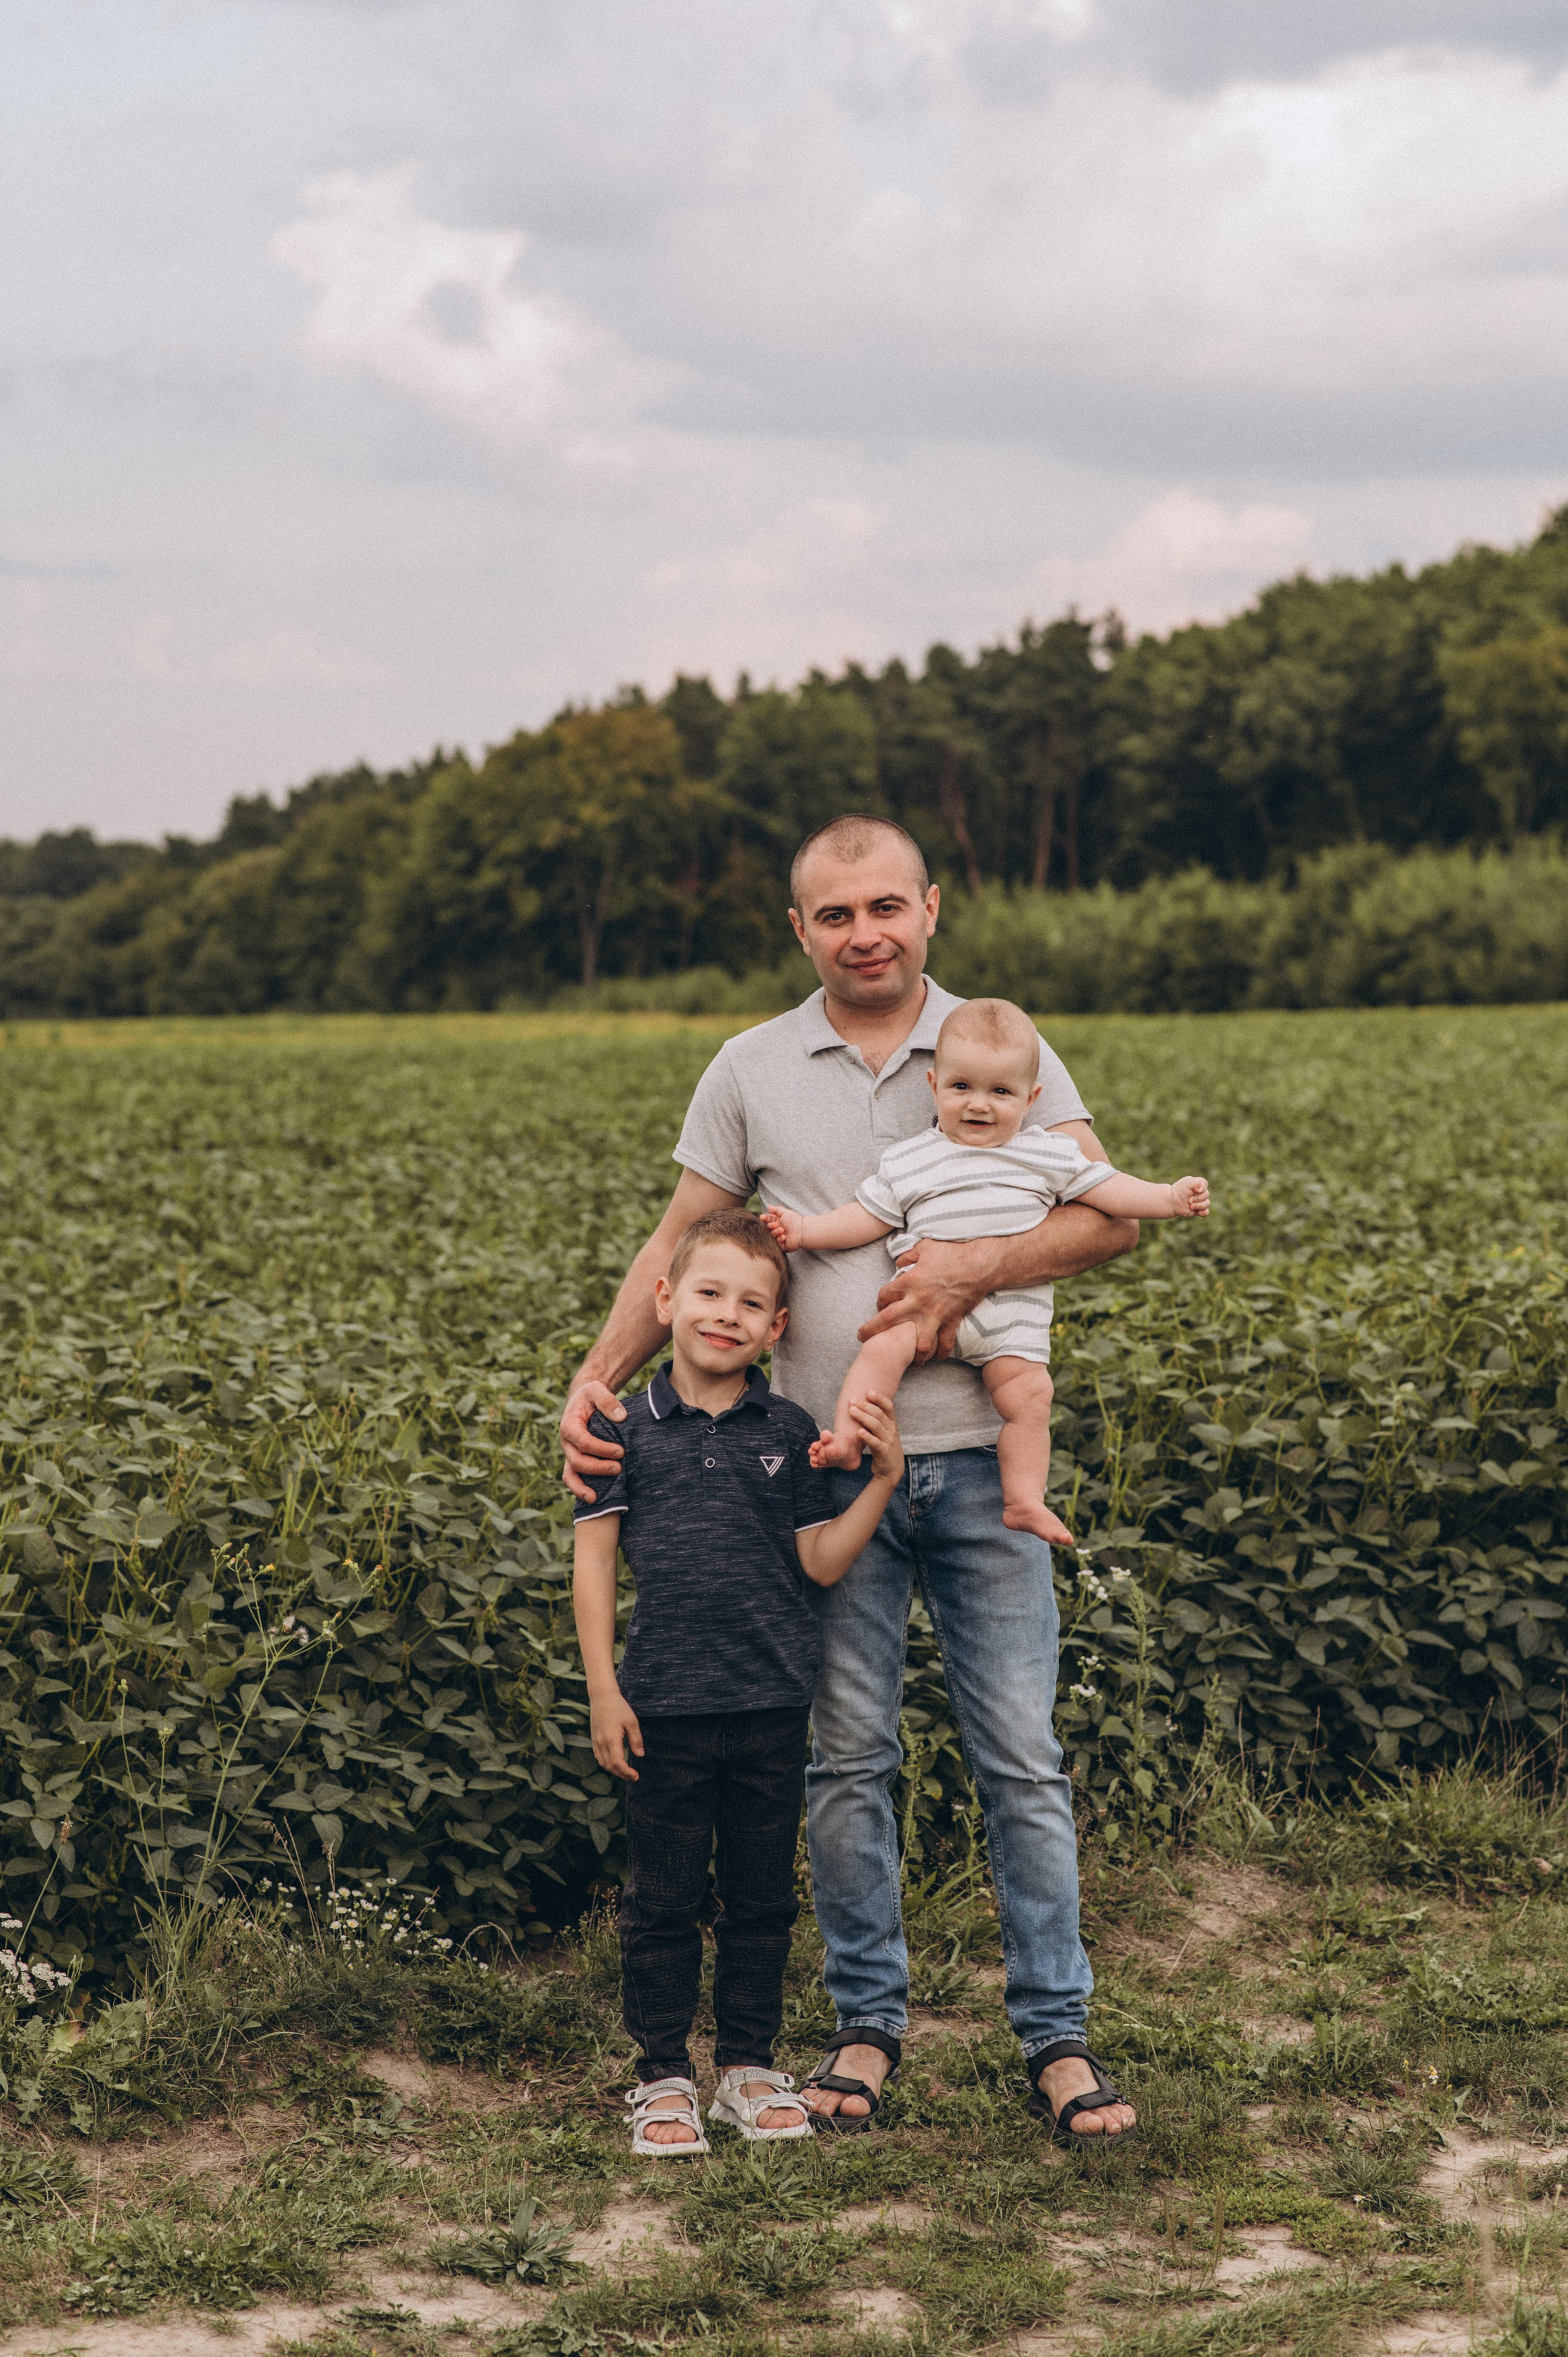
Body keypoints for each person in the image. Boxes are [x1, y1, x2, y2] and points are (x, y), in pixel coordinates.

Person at [560, 813, 1140, 2147]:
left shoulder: (997, 1042)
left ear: (928, 908)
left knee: (1020, 1763)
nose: (863, 932)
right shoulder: (749, 1066)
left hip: (983, 1467)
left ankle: (1057, 2039)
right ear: (800, 928)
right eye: (835, 914)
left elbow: (1102, 1215)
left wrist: (965, 1273)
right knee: (845, 1760)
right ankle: (863, 2030)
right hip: (818, 1482)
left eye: (886, 906)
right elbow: (676, 1243)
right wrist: (590, 1383)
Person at [573, 1208, 905, 2154]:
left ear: (777, 1330)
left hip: (770, 1703)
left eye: (751, 1303)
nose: (726, 1315)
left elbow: (822, 1565)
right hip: (664, 1705)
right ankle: (664, 2076)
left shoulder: (789, 1429)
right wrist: (605, 1687)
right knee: (664, 1899)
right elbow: (594, 1563)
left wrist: (882, 1481)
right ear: (667, 1300)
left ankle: (750, 2069)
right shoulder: (622, 1429)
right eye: (709, 1294)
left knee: (762, 1897)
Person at [762, 994, 1209, 1544]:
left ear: (1032, 1099)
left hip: (1011, 1320)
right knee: (879, 1352)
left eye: (1001, 1092)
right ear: (934, 1087)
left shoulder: (1048, 1153)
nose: (979, 1105)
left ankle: (1023, 1499)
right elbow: (866, 1217)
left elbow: (1110, 1190)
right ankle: (852, 1439)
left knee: (1029, 1398)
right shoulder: (912, 1159)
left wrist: (1169, 1197)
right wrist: (806, 1232)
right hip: (920, 1308)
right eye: (961, 1088)